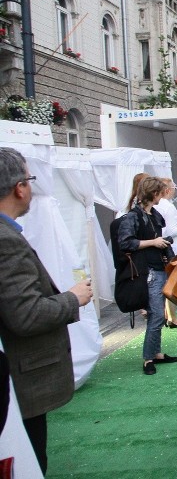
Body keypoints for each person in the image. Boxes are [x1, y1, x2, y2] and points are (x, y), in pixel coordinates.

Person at [0, 147, 93, 474]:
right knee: (28, 461)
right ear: (19, 187)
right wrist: (72, 298)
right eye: (29, 178)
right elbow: (25, 314)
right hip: (18, 382)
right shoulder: (6, 239)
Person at [117, 176, 177, 375]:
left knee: (158, 313)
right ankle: (148, 358)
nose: (163, 195)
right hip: (149, 271)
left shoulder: (152, 214)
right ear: (154, 194)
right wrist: (153, 243)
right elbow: (125, 243)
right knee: (156, 315)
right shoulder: (133, 217)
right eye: (161, 192)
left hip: (157, 269)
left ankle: (156, 353)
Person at [154, 177, 177, 328]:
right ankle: (172, 317)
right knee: (171, 281)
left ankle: (170, 315)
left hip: (169, 246)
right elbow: (168, 229)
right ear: (167, 190)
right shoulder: (166, 206)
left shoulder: (162, 205)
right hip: (172, 247)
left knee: (168, 281)